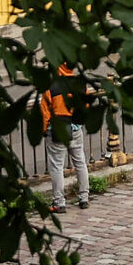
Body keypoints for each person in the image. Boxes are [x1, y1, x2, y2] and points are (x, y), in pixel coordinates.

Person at [43, 66, 93, 211]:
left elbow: (45, 112)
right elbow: (87, 105)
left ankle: (59, 202)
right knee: (80, 162)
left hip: (58, 130)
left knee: (57, 167)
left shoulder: (50, 86)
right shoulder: (80, 84)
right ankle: (84, 198)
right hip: (76, 128)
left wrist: (44, 129)